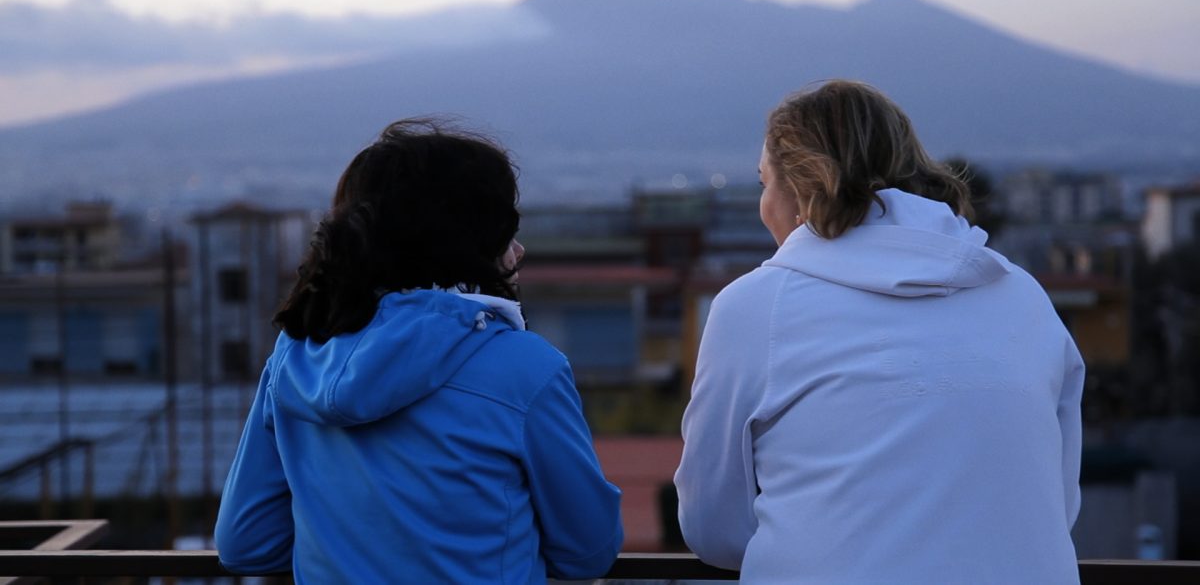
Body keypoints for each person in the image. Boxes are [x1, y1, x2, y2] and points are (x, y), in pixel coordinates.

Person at [674, 80, 1084, 584]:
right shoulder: (1022, 295)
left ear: (802, 192)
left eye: (765, 184)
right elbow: (1053, 505)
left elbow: (712, 527)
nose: (764, 206)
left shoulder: (755, 307)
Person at [215, 119, 623, 583]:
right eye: (504, 231)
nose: (518, 251)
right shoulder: (527, 369)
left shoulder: (297, 356)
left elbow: (245, 543)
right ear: (468, 241)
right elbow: (588, 551)